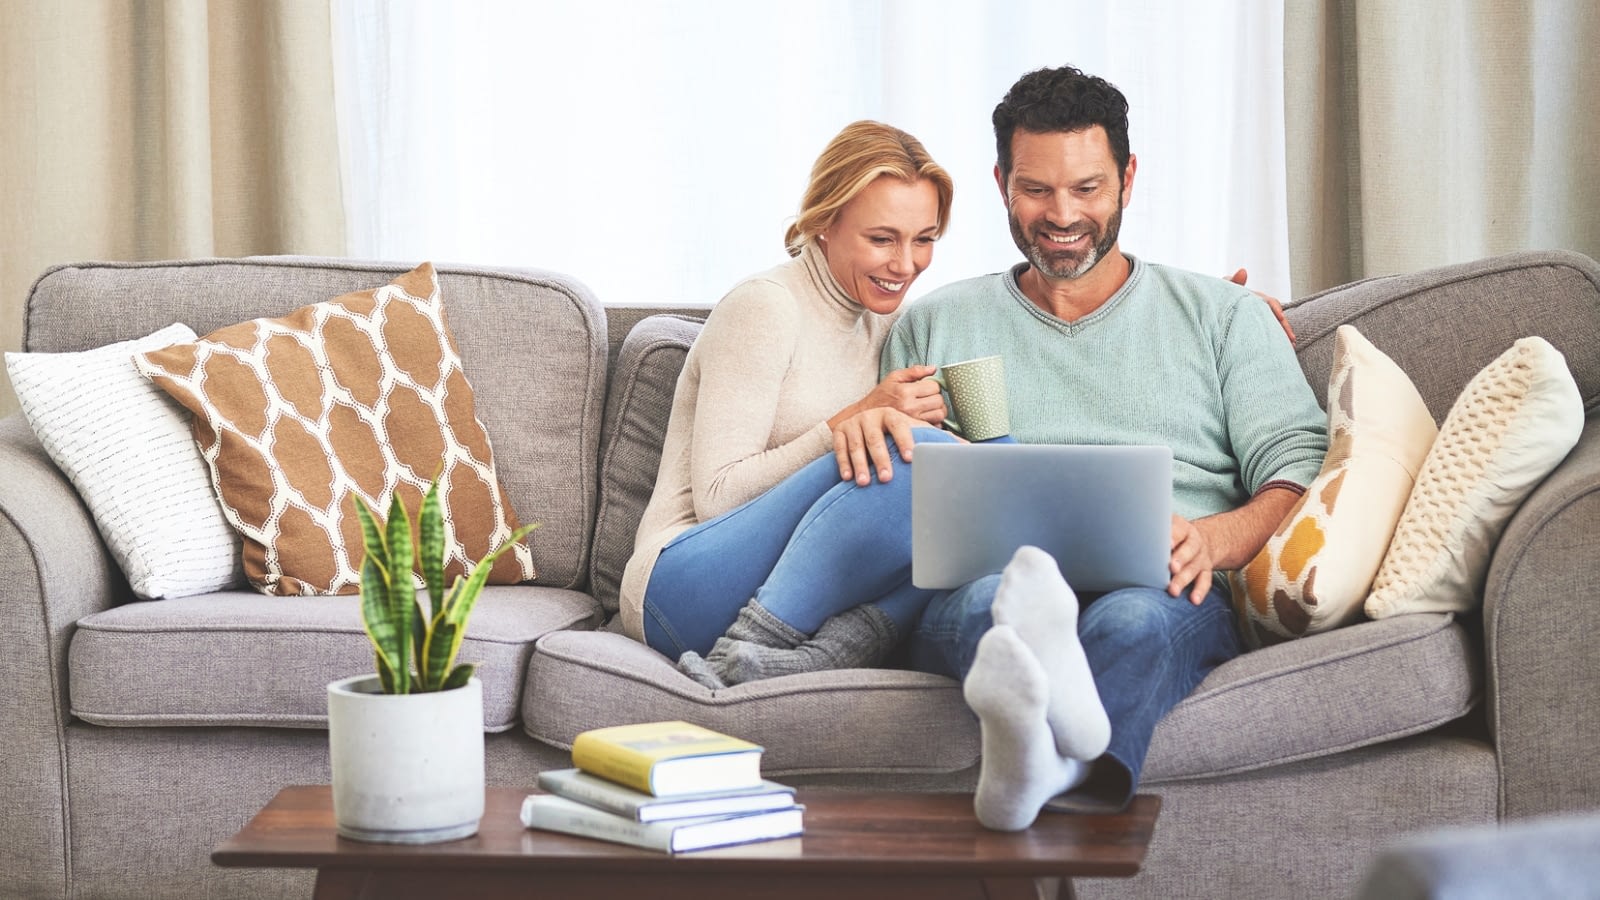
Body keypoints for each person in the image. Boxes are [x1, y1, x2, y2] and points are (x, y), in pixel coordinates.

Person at [857, 65, 1329, 831]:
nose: (1062, 215)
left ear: (1128, 179)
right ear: (1002, 183)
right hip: (988, 583)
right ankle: (1066, 772)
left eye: (1087, 187)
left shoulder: (1223, 315)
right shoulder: (934, 324)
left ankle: (1045, 778)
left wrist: (1211, 540)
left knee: (1132, 625)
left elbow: (1299, 465)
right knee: (989, 610)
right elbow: (897, 494)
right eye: (1036, 189)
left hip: (1162, 586)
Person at [618, 121, 962, 686]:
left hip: (794, 592)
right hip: (678, 584)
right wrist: (851, 422)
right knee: (912, 452)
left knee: (981, 481)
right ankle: (751, 645)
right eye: (882, 239)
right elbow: (717, 497)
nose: (905, 265)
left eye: (923, 239)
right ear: (824, 223)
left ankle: (831, 650)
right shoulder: (766, 308)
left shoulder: (889, 321)